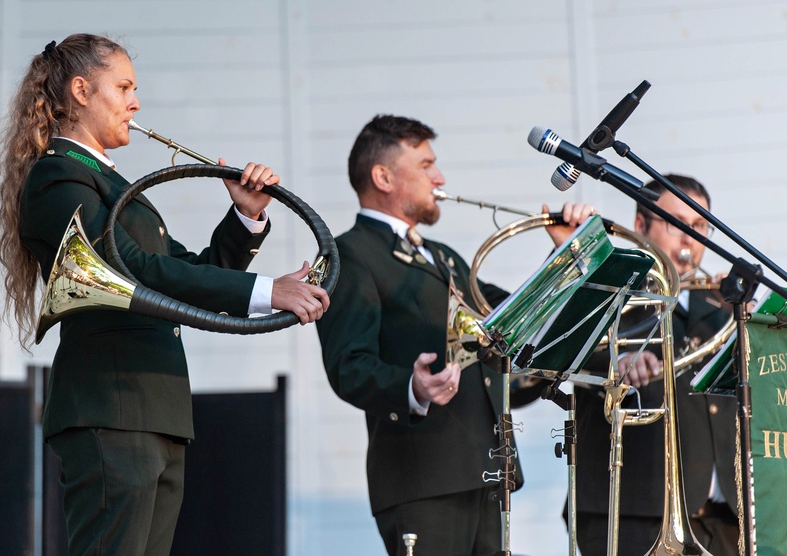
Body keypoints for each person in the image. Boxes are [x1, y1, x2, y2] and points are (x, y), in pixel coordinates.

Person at [0, 33, 328, 555]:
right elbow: (138, 271)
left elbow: (182, 272)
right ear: (81, 91)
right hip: (111, 407)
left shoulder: (104, 180)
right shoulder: (59, 175)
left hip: (154, 411)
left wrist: (245, 215)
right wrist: (267, 291)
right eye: (123, 86)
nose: (136, 102)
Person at [315, 114, 596, 556]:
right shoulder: (349, 254)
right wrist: (412, 387)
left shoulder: (442, 255)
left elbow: (509, 316)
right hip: (423, 481)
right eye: (426, 165)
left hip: (486, 471)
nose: (440, 177)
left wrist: (562, 253)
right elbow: (347, 366)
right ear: (383, 177)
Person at [572, 174, 738, 555]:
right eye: (676, 223)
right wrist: (617, 362)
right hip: (631, 514)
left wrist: (745, 318)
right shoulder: (609, 293)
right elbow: (562, 350)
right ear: (640, 226)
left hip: (723, 518)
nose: (689, 237)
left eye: (699, 225)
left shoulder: (722, 307)